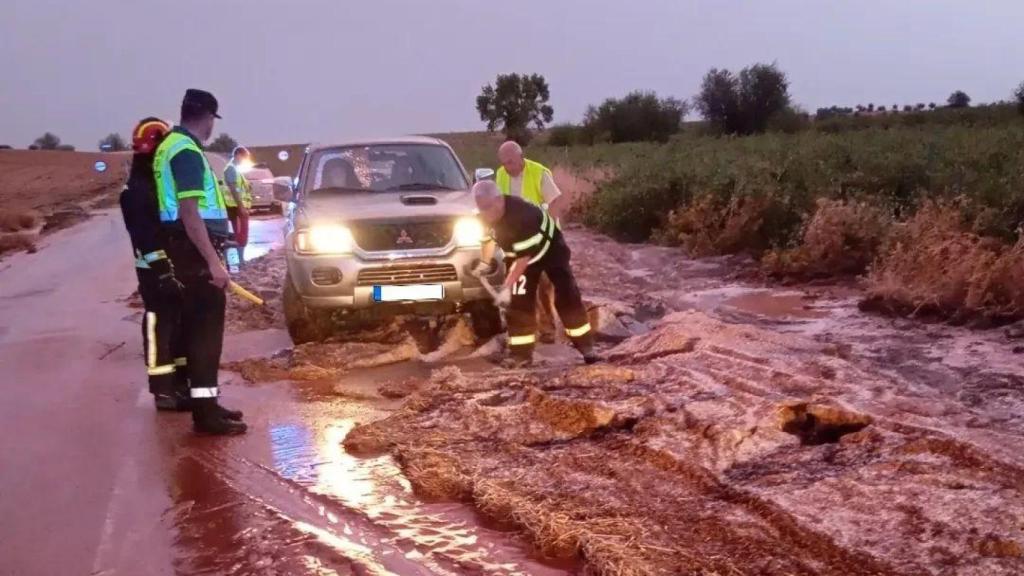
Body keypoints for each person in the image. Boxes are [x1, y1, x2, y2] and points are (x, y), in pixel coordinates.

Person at [153, 88, 246, 435]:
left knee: (197, 332)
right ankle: (206, 416)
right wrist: (214, 263)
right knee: (206, 335)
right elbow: (190, 213)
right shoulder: (188, 151)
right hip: (194, 251)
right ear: (207, 118)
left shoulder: (170, 145)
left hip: (182, 248)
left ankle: (207, 404)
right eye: (211, 121)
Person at [471, 180, 598, 368]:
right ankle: (521, 355)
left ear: (499, 199)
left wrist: (506, 286)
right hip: (520, 255)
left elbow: (523, 260)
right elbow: (487, 239)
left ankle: (587, 348)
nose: (486, 214)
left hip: (551, 251)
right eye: (481, 209)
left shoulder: (523, 216)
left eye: (489, 207)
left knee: (567, 295)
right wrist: (484, 262)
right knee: (519, 302)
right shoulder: (483, 215)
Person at [119, 117, 191, 411]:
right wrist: (163, 271)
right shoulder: (136, 192)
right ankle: (162, 391)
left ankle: (180, 383)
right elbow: (145, 238)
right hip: (154, 272)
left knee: (179, 324)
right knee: (158, 323)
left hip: (173, 266)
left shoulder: (158, 183)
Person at [494, 140, 565, 342]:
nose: (507, 167)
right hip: (516, 242)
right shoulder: (500, 174)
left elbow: (556, 201)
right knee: (520, 286)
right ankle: (525, 329)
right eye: (504, 163)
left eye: (511, 162)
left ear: (520, 157)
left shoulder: (538, 173)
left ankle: (548, 330)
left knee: (543, 287)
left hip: (542, 241)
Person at [223, 146, 253, 262]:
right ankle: (239, 260)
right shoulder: (231, 169)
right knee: (241, 235)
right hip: (236, 208)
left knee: (241, 234)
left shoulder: (236, 170)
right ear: (238, 155)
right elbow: (233, 189)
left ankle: (240, 259)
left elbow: (239, 189)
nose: (244, 161)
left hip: (238, 207)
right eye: (244, 158)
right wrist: (241, 207)